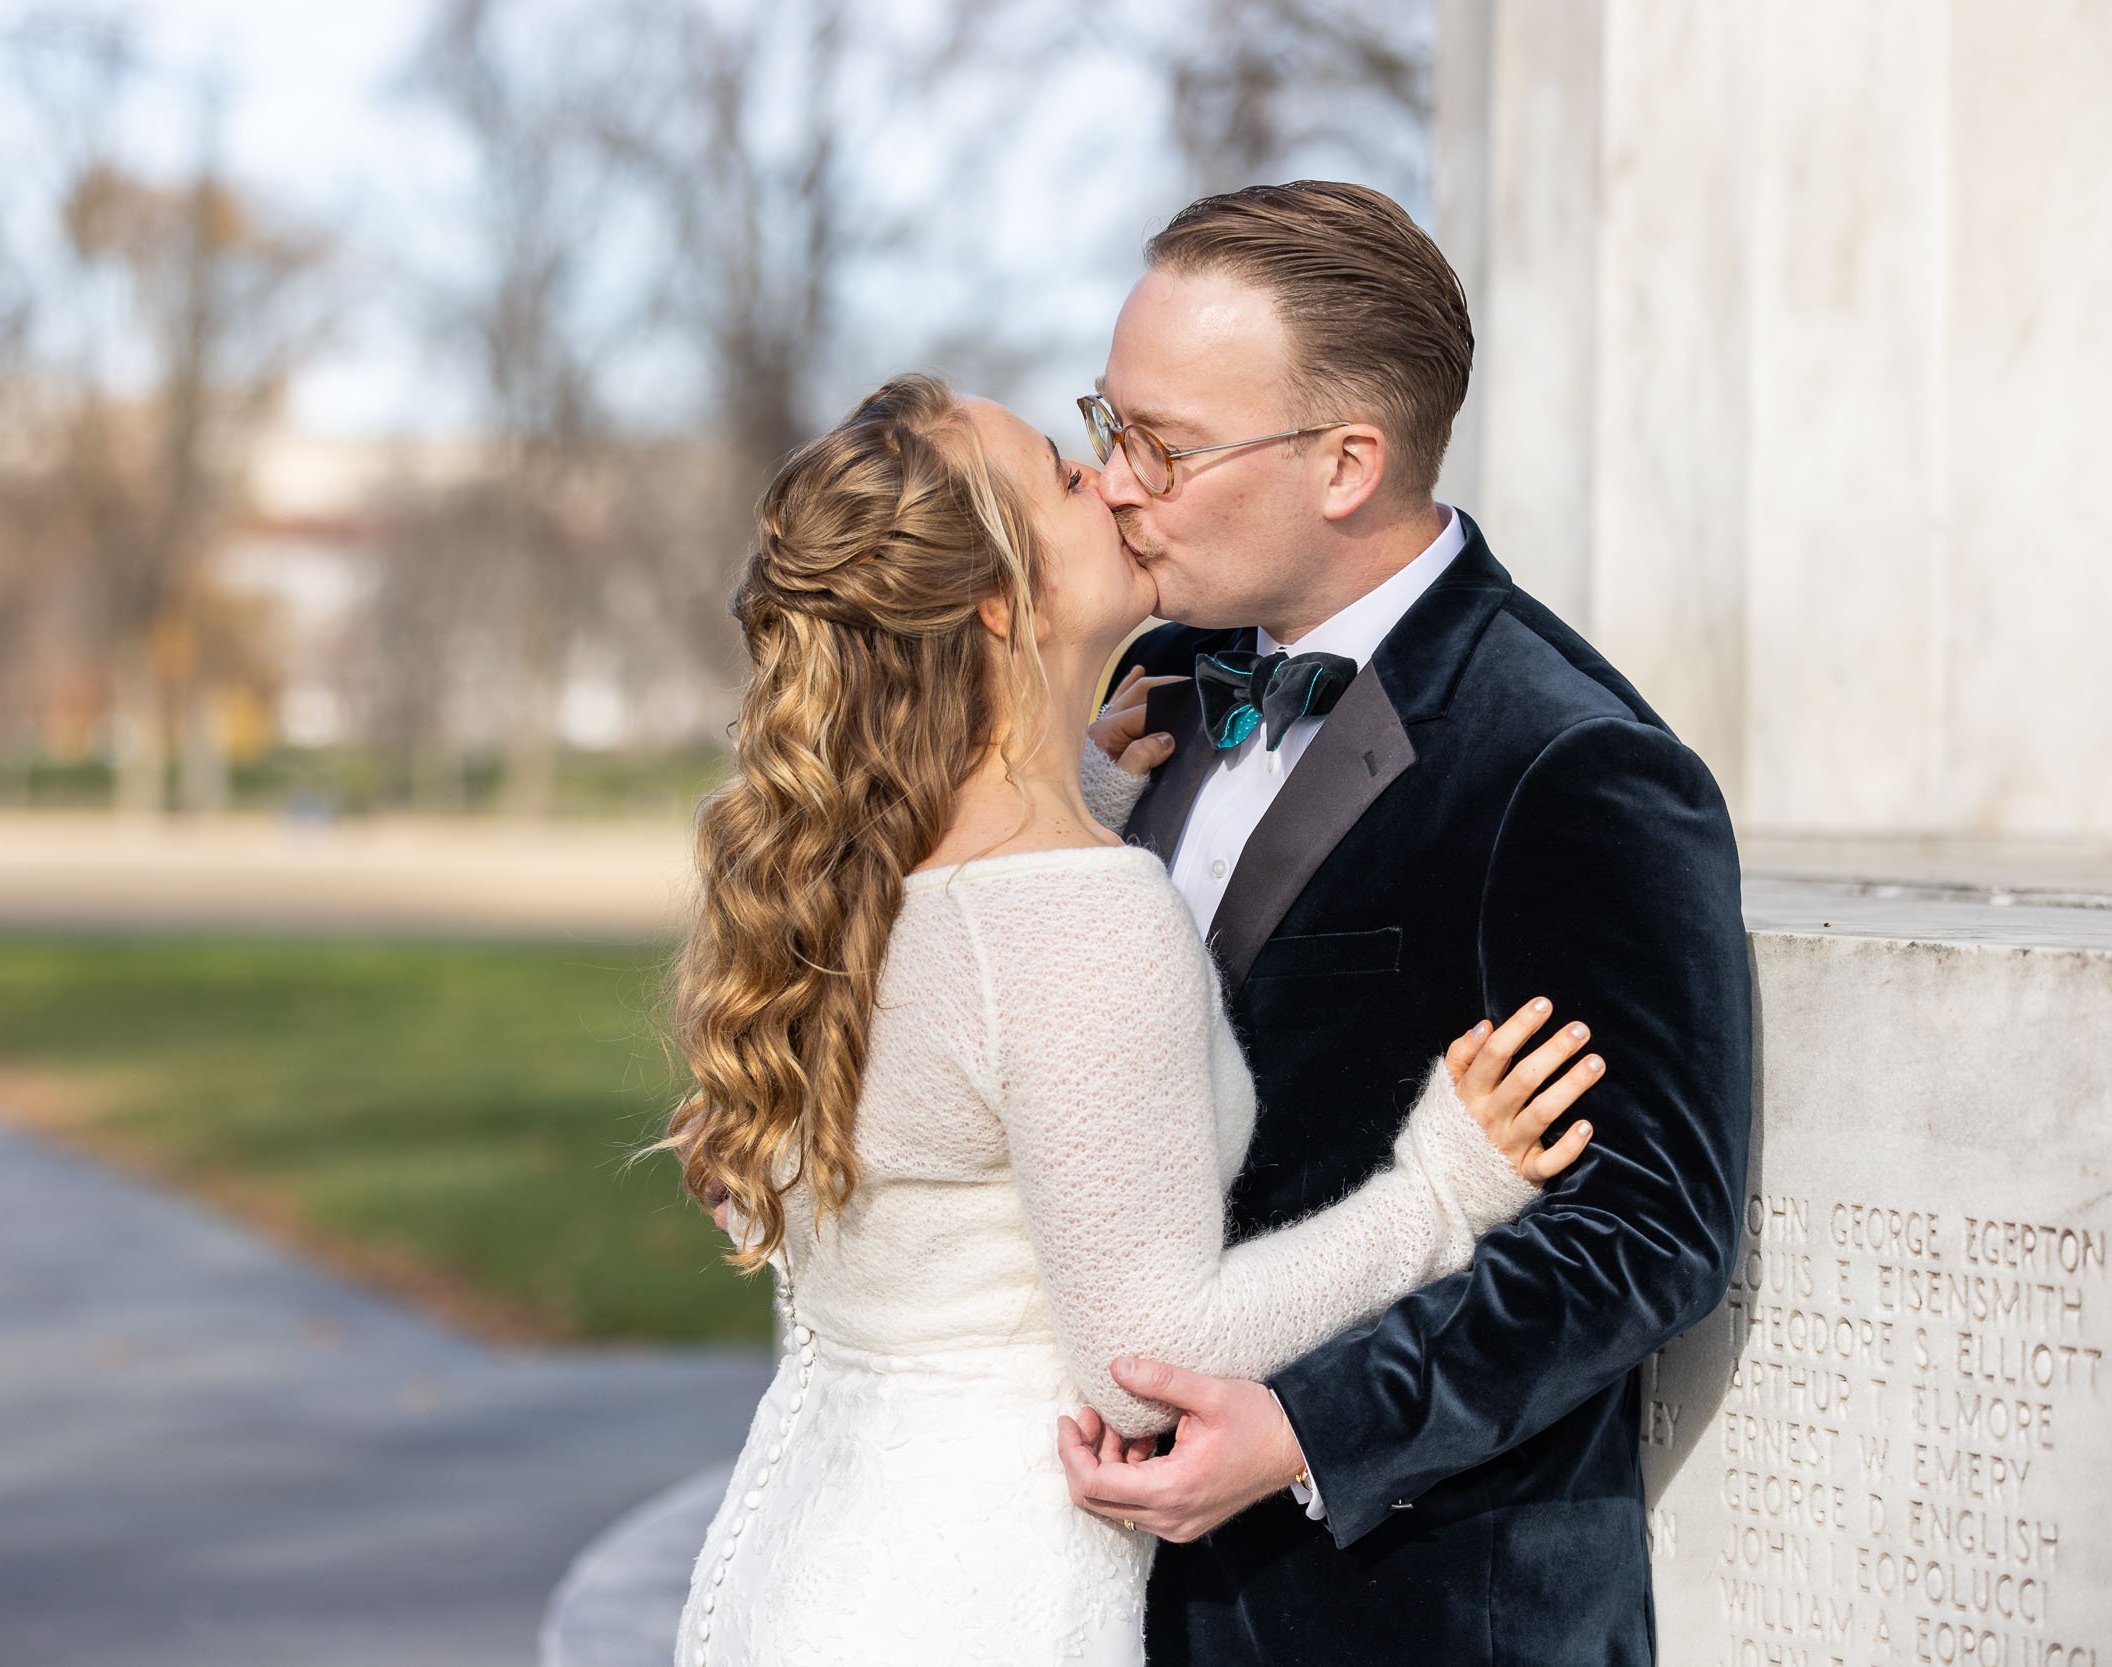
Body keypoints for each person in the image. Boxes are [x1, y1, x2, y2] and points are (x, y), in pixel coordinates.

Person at [664, 371, 1604, 1667]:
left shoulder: (847, 877)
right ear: (1000, 599)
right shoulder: (1079, 917)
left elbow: (962, 1040)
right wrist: (1438, 1195)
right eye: (1062, 474)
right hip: (977, 1599)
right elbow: (1148, 1359)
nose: (1110, 480)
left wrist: (1079, 782)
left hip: (790, 1574)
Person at [1059, 181, 1752, 1664]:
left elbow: (1647, 1229)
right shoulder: (1163, 680)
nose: (1112, 481)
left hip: (1406, 1607)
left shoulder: (1571, 763)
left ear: (1346, 464)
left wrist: (1308, 1429)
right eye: (1108, 423)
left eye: (1161, 447)